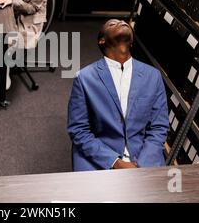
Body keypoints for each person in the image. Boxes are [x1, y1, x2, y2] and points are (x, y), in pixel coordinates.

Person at [67, 19, 169, 171]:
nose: (121, 22)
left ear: (132, 42)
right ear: (102, 41)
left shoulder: (153, 76)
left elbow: (158, 127)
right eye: (112, 24)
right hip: (100, 159)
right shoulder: (85, 78)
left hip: (143, 158)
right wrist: (115, 162)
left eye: (123, 22)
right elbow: (78, 130)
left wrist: (142, 165)